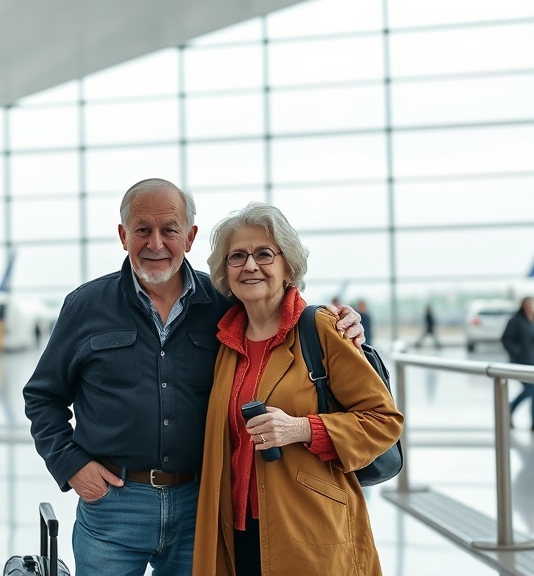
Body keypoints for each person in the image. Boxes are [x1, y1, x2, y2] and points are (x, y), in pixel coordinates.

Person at [23, 178, 366, 576]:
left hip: (200, 505)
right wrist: (70, 465)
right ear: (123, 235)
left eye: (169, 230)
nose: (155, 243)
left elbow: (277, 310)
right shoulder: (86, 306)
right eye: (142, 229)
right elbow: (42, 397)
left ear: (189, 237)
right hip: (113, 506)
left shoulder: (224, 304)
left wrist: (341, 322)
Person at [192, 202, 403, 576]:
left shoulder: (322, 328)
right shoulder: (225, 343)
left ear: (288, 266)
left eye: (264, 254)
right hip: (239, 532)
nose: (250, 265)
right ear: (225, 272)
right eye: (237, 256)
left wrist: (302, 428)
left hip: (309, 529)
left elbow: (383, 421)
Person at [502, 297, 534, 432]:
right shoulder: (515, 320)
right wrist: (517, 351)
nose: (532, 308)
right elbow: (506, 339)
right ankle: (531, 419)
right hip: (521, 363)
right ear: (524, 306)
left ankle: (532, 421)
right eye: (530, 305)